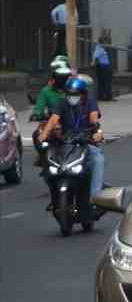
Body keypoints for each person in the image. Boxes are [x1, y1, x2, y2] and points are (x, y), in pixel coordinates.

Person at [35, 75, 105, 211]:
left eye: (76, 94)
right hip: (65, 143)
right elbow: (54, 119)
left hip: (85, 141)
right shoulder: (61, 103)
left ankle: (95, 197)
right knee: (50, 163)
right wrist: (44, 134)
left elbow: (93, 119)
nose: (72, 97)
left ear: (83, 94)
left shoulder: (90, 103)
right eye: (69, 94)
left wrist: (97, 132)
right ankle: (55, 197)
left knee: (98, 159)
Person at [92, 33, 115, 102]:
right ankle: (106, 97)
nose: (106, 43)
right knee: (105, 82)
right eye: (105, 42)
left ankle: (104, 96)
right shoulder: (99, 48)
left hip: (105, 66)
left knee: (105, 82)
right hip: (103, 67)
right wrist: (93, 62)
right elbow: (95, 56)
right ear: (103, 42)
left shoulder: (101, 48)